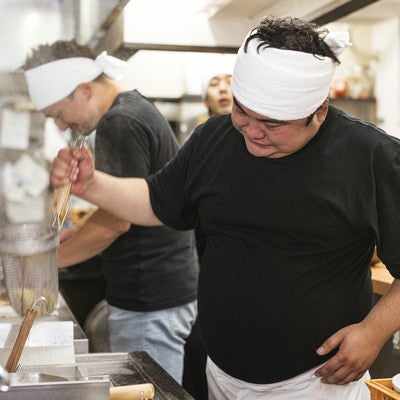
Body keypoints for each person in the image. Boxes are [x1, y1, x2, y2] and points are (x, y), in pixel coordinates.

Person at [50, 16, 400, 400]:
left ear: (319, 110)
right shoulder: (215, 137)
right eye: (242, 112)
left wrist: (373, 331)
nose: (251, 131)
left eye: (271, 123)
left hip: (314, 381)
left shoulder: (371, 156)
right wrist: (93, 184)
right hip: (222, 371)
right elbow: (155, 202)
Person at [23, 40, 199, 383]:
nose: (61, 126)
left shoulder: (119, 123)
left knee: (148, 395)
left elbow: (116, 222)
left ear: (84, 90)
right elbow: (125, 205)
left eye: (58, 114)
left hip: (150, 297)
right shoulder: (131, 109)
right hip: (158, 291)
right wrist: (76, 235)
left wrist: (44, 263)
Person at [183, 67, 234, 400]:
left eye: (229, 82)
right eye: (215, 84)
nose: (223, 88)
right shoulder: (201, 140)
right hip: (208, 256)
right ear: (206, 99)